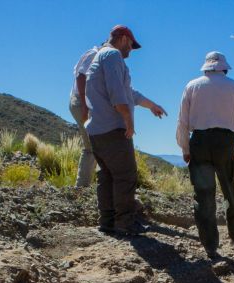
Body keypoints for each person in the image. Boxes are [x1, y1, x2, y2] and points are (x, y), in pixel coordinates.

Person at [85, 25, 166, 236]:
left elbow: (129, 92)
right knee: (126, 176)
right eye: (131, 44)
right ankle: (125, 223)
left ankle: (108, 222)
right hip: (113, 129)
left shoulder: (101, 56)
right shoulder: (112, 55)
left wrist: (152, 106)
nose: (131, 50)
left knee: (107, 177)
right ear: (122, 38)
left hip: (97, 130)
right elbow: (117, 93)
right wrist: (129, 122)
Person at [176, 51, 234, 259]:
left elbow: (182, 122)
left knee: (203, 196)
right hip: (225, 143)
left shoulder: (191, 86)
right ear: (225, 68)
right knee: (230, 190)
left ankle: (210, 245)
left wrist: (185, 149)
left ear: (206, 67)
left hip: (199, 142)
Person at [69, 44, 99, 188]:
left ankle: (85, 186)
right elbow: (81, 77)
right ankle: (81, 188)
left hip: (80, 102)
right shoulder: (94, 55)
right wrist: (85, 105)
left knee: (94, 144)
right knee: (92, 146)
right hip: (81, 102)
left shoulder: (93, 54)